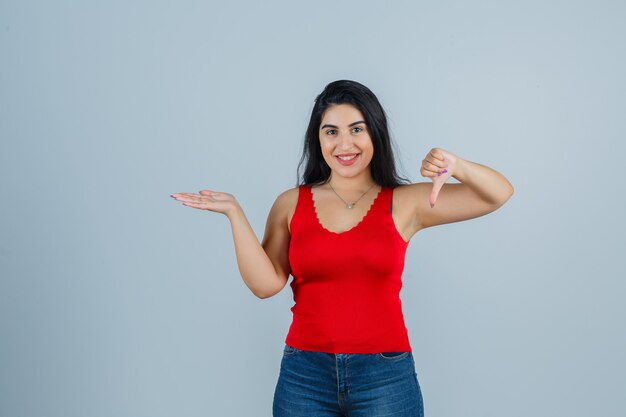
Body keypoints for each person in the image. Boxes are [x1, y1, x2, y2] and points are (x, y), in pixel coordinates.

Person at [170, 80, 514, 417]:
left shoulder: (405, 203)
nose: (344, 143)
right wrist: (234, 213)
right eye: (331, 131)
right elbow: (266, 284)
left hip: (385, 376)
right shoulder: (291, 204)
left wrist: (458, 166)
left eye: (356, 129)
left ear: (374, 133)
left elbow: (498, 194)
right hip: (304, 375)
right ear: (317, 139)